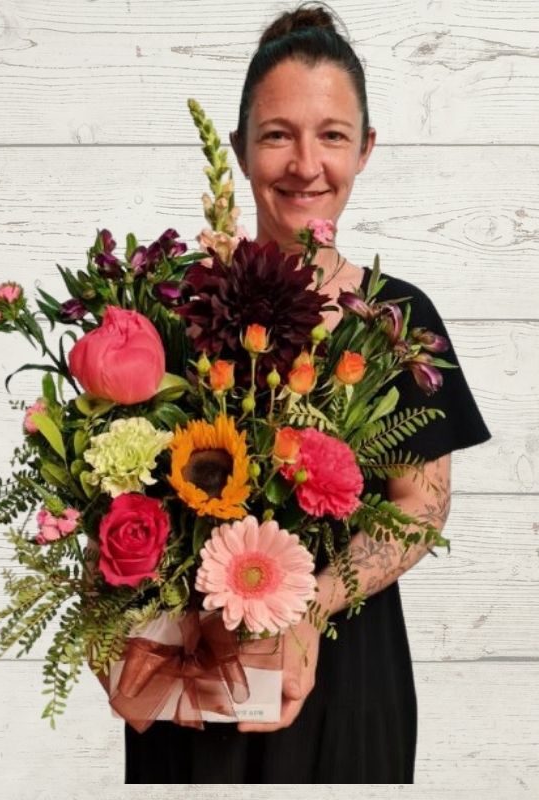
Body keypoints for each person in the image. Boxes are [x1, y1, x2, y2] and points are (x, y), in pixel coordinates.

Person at [124, 2, 491, 783]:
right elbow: (115, 496)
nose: (305, 165)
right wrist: (117, 637)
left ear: (365, 149)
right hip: (197, 677)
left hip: (347, 682)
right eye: (277, 134)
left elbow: (421, 507)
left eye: (331, 135)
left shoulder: (397, 321)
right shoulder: (170, 312)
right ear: (238, 148)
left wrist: (313, 606)